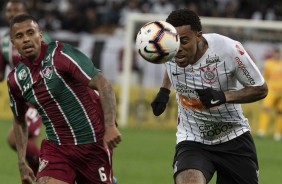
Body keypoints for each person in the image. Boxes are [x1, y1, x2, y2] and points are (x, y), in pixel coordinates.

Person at [151, 9, 268, 184]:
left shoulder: (228, 50)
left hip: (234, 137)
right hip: (192, 139)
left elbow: (260, 89)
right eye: (175, 42)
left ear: (198, 36)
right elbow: (170, 65)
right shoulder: (168, 48)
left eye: (184, 41)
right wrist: (164, 90)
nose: (179, 49)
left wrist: (223, 96)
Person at [8, 14, 121, 184]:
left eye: (30, 33)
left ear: (40, 34)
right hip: (57, 147)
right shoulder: (16, 79)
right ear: (13, 43)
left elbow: (103, 83)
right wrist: (21, 160)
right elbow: (19, 120)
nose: (26, 39)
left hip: (92, 144)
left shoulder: (61, 54)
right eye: (19, 36)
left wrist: (110, 125)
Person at [0, 0, 51, 175]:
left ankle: (48, 173)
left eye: (17, 9)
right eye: (10, 10)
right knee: (26, 144)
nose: (13, 12)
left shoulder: (39, 38)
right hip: (24, 98)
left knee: (14, 138)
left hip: (40, 96)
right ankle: (43, 176)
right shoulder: (5, 42)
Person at [257, 47, 282, 141]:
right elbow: (265, 77)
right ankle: (262, 131)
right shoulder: (268, 63)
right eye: (276, 53)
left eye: (278, 54)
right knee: (266, 109)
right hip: (271, 91)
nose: (277, 55)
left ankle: (278, 133)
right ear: (273, 54)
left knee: (280, 112)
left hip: (281, 92)